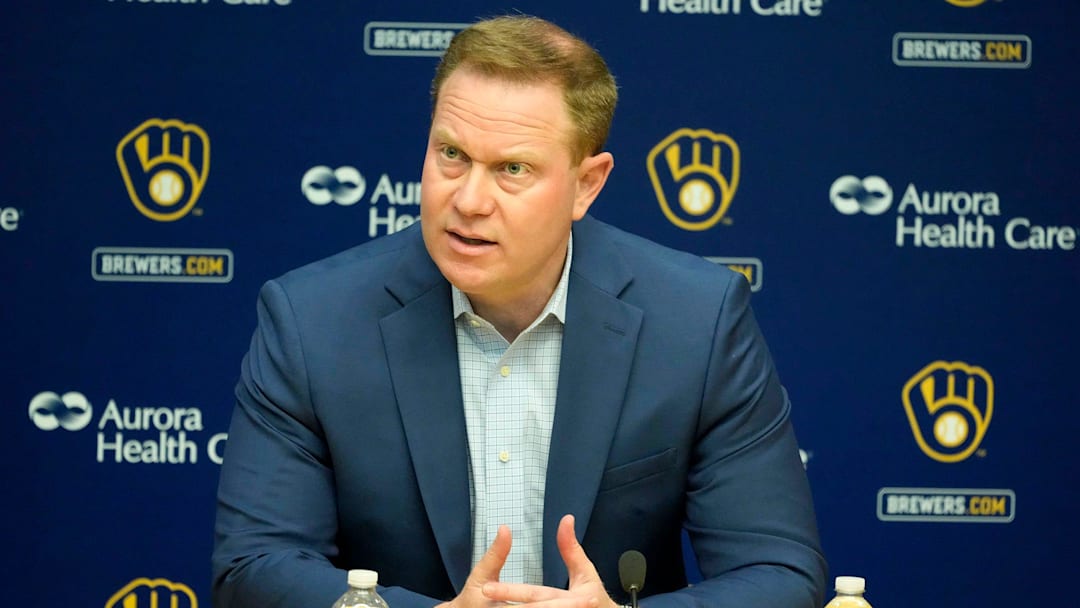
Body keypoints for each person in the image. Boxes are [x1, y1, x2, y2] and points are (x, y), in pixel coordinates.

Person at [212, 14, 826, 608]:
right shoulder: (311, 321)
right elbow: (254, 568)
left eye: (512, 169)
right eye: (451, 155)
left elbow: (778, 571)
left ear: (587, 184)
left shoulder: (696, 320)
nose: (469, 200)